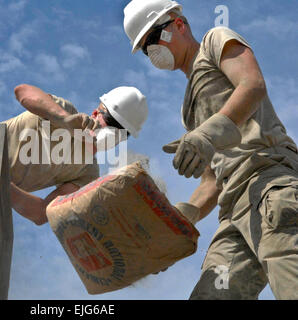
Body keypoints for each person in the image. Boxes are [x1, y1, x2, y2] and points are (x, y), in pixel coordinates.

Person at [123, 0, 298, 299]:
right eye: (144, 47)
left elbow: (252, 84)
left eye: (153, 38)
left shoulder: (214, 41)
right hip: (232, 211)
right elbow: (211, 181)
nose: (151, 51)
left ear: (178, 24)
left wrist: (208, 133)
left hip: (267, 183)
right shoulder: (186, 109)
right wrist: (178, 220)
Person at [0, 84, 148, 299]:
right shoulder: (62, 112)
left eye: (123, 133)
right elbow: (22, 92)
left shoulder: (87, 172)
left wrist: (3, 182)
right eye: (112, 123)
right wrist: (62, 118)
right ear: (96, 113)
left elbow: (40, 213)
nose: (113, 134)